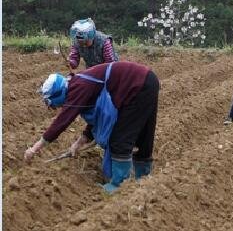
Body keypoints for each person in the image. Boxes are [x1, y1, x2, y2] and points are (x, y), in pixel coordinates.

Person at [24, 61, 159, 194]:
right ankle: (143, 178)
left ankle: (120, 186)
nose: (53, 107)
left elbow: (62, 121)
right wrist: (79, 143)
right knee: (143, 134)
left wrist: (35, 148)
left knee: (119, 139)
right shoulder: (79, 85)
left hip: (137, 86)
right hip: (147, 80)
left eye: (50, 102)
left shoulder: (77, 87)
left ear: (57, 94)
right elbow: (97, 119)